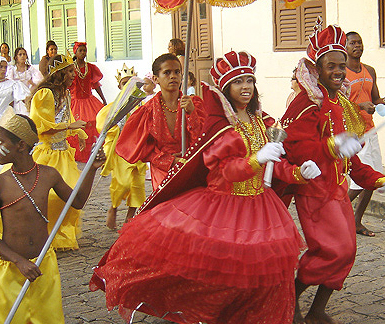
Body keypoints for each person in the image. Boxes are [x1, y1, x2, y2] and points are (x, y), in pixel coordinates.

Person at [91, 50, 321, 324]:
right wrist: (256, 159)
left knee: (261, 274)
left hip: (261, 206)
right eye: (238, 82)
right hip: (224, 206)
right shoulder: (222, 127)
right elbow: (225, 170)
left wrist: (298, 173)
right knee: (220, 272)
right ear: (225, 88)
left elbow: (273, 166)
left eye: (249, 80)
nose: (246, 87)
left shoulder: (261, 121)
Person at [281, 23, 385, 324]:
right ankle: (291, 297)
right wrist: (331, 146)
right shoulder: (306, 103)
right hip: (314, 190)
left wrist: (373, 178)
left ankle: (317, 310)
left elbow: (350, 154)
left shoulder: (342, 103)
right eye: (331, 66)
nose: (339, 71)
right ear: (316, 69)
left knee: (348, 251)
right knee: (333, 249)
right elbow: (296, 148)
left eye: (342, 66)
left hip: (338, 188)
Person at [0, 107, 104, 323]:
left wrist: (91, 169)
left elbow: (78, 201)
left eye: (1, 142)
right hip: (11, 269)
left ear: (20, 146)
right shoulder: (1, 183)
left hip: (43, 266)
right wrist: (19, 261)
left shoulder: (48, 175)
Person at [116, 53, 205, 190]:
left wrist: (191, 113)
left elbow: (203, 140)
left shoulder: (195, 105)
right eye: (167, 73)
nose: (173, 76)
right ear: (156, 79)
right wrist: (170, 161)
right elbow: (143, 148)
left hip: (190, 169)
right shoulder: (147, 111)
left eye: (177, 72)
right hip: (163, 173)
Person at [28, 54, 88, 250]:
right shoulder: (45, 94)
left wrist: (77, 132)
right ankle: (45, 235)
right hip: (48, 155)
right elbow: (42, 125)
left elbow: (68, 117)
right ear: (60, 73)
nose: (74, 74)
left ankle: (60, 235)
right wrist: (70, 126)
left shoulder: (65, 94)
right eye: (70, 71)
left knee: (72, 194)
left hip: (63, 154)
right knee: (50, 197)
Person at [345, 31, 385, 237]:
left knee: (374, 179)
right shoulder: (342, 73)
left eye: (360, 42)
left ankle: (356, 221)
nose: (357, 46)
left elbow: (374, 99)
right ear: (345, 46)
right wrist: (359, 106)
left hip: (370, 130)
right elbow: (339, 104)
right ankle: (335, 214)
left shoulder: (370, 71)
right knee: (362, 178)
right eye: (352, 43)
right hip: (353, 132)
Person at [96, 64, 147, 230]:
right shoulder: (114, 108)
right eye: (124, 83)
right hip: (121, 152)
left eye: (131, 83)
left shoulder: (141, 106)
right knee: (122, 183)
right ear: (119, 86)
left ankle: (130, 216)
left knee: (137, 184)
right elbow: (106, 129)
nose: (128, 86)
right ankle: (114, 207)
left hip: (138, 150)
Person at [67, 41, 107, 162]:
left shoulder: (90, 67)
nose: (83, 53)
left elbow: (96, 85)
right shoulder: (71, 68)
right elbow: (67, 87)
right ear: (75, 52)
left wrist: (103, 100)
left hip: (89, 101)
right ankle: (78, 154)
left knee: (95, 122)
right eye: (80, 51)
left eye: (84, 51)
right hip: (75, 102)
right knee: (76, 124)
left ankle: (94, 152)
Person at [7, 47, 43, 114]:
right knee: (18, 85)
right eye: (20, 54)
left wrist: (32, 83)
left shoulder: (30, 68)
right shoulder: (12, 69)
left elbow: (39, 80)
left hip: (29, 93)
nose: (22, 56)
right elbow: (9, 82)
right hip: (17, 96)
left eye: (24, 54)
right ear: (16, 57)